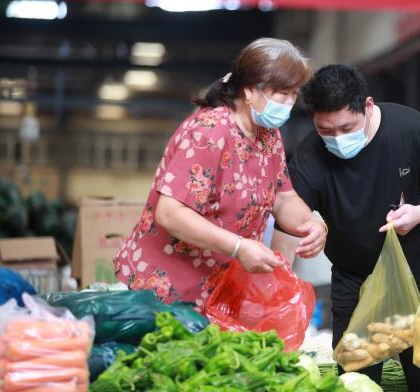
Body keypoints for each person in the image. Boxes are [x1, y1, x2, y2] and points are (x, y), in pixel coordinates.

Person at [273, 64, 420, 391]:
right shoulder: (310, 154)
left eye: (346, 127)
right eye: (326, 130)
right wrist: (278, 292)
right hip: (354, 283)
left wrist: (419, 213)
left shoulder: (410, 129)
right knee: (354, 380)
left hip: (419, 279)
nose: (336, 138)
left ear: (368, 106)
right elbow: (289, 220)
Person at [114, 38, 328, 306]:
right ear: (250, 90)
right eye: (283, 93)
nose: (289, 103)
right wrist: (238, 247)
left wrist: (313, 224)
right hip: (166, 291)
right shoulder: (210, 131)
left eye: (294, 94)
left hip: (219, 289)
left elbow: (283, 198)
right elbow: (170, 213)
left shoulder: (268, 136)